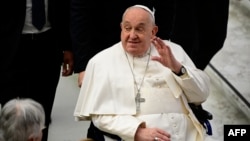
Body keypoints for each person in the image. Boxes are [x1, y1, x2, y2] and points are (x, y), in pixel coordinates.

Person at [74, 5, 210, 141]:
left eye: (139, 29)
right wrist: (136, 132)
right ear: (121, 28)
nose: (132, 35)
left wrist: (177, 69)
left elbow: (200, 95)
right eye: (127, 28)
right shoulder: (101, 62)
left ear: (153, 31)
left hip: (188, 135)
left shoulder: (173, 50)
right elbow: (100, 116)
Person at [0, 1, 73, 141]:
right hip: (12, 49)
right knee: (12, 117)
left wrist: (67, 46)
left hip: (48, 47)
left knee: (42, 115)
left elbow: (65, 8)